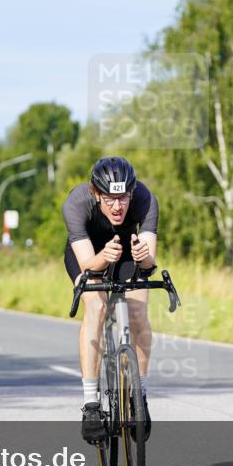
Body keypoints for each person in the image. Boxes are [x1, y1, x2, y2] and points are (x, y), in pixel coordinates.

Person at [63, 157, 158, 444]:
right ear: (96, 194)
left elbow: (149, 262)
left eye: (123, 197)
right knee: (96, 306)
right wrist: (103, 258)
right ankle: (91, 405)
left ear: (132, 192)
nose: (118, 206)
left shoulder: (145, 198)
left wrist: (144, 259)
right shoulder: (76, 203)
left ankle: (138, 394)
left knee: (139, 313)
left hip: (127, 250)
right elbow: (86, 262)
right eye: (109, 199)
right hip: (90, 252)